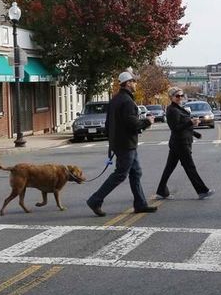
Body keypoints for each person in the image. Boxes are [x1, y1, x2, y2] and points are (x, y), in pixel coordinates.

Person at [86, 70, 158, 216]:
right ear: (128, 83)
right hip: (126, 144)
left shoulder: (115, 100)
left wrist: (112, 142)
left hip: (121, 143)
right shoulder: (127, 101)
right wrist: (147, 121)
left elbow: (108, 124)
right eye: (134, 81)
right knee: (120, 174)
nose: (136, 84)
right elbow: (132, 123)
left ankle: (140, 204)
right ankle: (95, 200)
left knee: (136, 172)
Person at [155, 88, 214, 200]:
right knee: (190, 167)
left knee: (169, 167)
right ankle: (202, 191)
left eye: (181, 95)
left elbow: (184, 127)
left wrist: (195, 133)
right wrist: (190, 122)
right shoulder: (172, 110)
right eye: (177, 96)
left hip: (180, 142)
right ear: (171, 97)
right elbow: (175, 128)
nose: (180, 98)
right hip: (180, 143)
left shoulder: (179, 108)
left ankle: (161, 190)